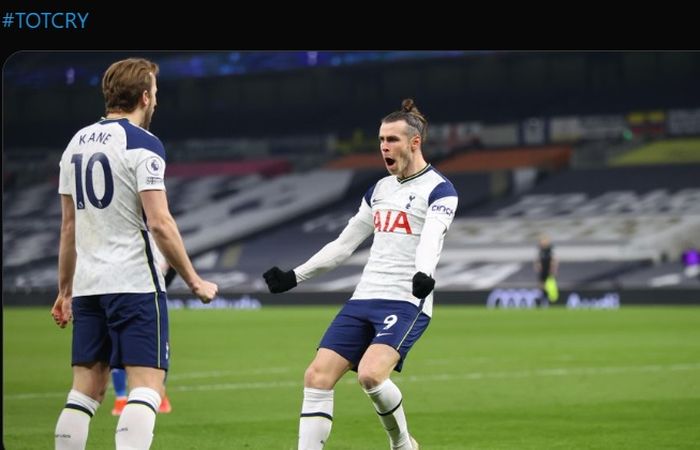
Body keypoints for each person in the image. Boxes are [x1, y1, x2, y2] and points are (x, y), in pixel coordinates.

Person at [263, 99, 458, 450]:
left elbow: (432, 236)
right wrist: (295, 276)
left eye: (393, 140)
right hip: (364, 297)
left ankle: (402, 444)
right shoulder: (380, 190)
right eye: (382, 139)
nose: (384, 146)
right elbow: (343, 245)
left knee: (370, 374)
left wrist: (423, 273)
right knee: (316, 376)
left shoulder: (440, 190)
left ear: (415, 142)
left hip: (406, 298)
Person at [51, 57, 218, 450]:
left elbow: (68, 227)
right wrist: (194, 281)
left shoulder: (75, 143)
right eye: (155, 93)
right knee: (147, 387)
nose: (156, 101)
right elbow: (160, 222)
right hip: (135, 285)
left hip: (90, 287)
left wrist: (64, 291)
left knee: (84, 392)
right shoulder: (144, 144)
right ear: (145, 96)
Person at [534, 235, 559, 305]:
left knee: (550, 284)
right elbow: (538, 259)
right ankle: (542, 297)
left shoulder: (550, 250)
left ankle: (550, 299)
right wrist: (537, 265)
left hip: (549, 270)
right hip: (543, 270)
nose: (543, 242)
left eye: (544, 241)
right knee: (541, 284)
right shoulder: (540, 250)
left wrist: (554, 269)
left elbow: (554, 260)